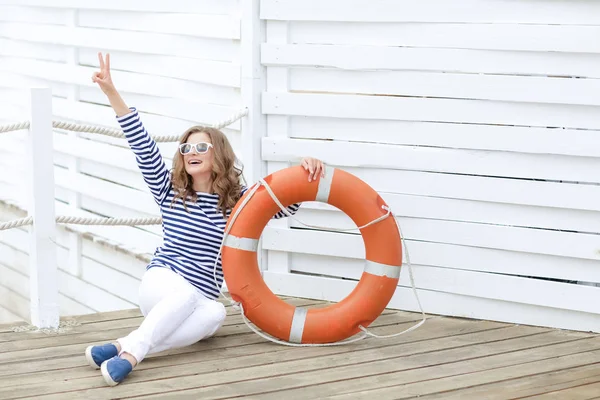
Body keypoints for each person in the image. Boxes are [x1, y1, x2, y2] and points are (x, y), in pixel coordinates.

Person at [84, 52, 325, 386]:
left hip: (197, 301)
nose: (191, 153)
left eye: (201, 148)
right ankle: (130, 356)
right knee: (187, 294)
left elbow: (282, 206)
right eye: (186, 149)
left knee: (216, 313)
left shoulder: (239, 202)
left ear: (218, 155)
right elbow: (141, 143)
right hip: (161, 285)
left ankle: (121, 344)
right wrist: (112, 92)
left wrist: (305, 173)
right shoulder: (169, 190)